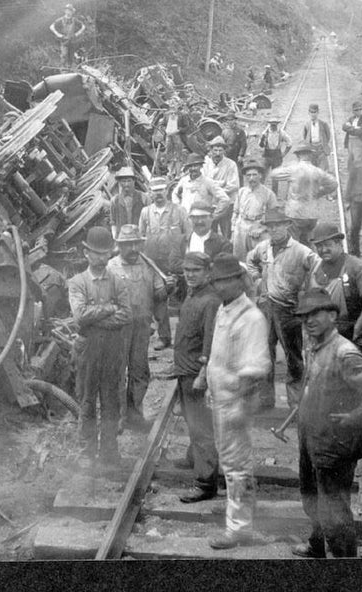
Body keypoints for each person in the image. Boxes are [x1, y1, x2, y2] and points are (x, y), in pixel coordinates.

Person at [292, 288, 362, 559]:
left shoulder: (344, 353)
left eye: (315, 314)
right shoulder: (314, 345)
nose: (309, 321)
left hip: (334, 444)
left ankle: (344, 559)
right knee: (311, 497)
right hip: (312, 438)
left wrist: (356, 417)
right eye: (304, 316)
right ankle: (316, 545)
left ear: (332, 316)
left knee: (335, 514)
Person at [205, 253, 271, 549]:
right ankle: (240, 519)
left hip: (235, 403)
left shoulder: (251, 318)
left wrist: (240, 407)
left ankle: (239, 529)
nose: (218, 286)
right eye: (216, 281)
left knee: (236, 467)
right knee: (231, 463)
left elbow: (253, 370)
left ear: (239, 281)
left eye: (225, 281)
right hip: (221, 399)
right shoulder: (225, 308)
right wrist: (209, 383)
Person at [67, 227, 133, 467]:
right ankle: (87, 452)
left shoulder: (117, 281)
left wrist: (96, 318)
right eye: (97, 253)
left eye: (106, 253)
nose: (102, 258)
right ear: (86, 253)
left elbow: (126, 315)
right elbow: (80, 316)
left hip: (112, 349)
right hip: (87, 349)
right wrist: (109, 309)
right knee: (86, 400)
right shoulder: (77, 283)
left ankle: (109, 450)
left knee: (110, 399)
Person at [245, 208, 318, 409]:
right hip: (266, 307)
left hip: (289, 309)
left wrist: (307, 293)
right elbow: (250, 260)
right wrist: (257, 279)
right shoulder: (263, 247)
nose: (274, 229)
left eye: (278, 225)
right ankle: (265, 399)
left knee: (293, 356)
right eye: (270, 226)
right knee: (264, 354)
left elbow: (317, 268)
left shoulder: (300, 251)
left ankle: (296, 403)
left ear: (287, 225)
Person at [170, 251, 223, 504]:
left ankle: (205, 483)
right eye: (187, 270)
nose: (190, 275)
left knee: (202, 428)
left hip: (196, 374)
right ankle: (195, 459)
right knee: (193, 422)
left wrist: (203, 374)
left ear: (208, 273)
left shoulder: (210, 301)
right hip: (185, 370)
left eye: (196, 271)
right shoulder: (192, 294)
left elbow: (210, 342)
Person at [107, 225, 168, 431]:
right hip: (118, 329)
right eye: (128, 244)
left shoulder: (149, 266)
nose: (133, 248)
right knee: (116, 372)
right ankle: (116, 416)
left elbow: (159, 294)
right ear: (119, 246)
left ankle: (134, 414)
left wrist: (169, 287)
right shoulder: (111, 267)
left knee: (139, 371)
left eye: (136, 244)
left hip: (141, 327)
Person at [304, 224, 362, 357]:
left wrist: (358, 328)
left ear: (339, 243)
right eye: (319, 246)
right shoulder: (316, 268)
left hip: (349, 338)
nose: (323, 250)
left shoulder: (356, 267)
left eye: (328, 245)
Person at [139, 177, 190, 350]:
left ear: (167, 191)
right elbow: (141, 238)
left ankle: (185, 338)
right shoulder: (146, 212)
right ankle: (164, 337)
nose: (158, 193)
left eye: (161, 190)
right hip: (154, 263)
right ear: (150, 192)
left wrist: (185, 261)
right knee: (159, 299)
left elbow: (189, 236)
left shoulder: (179, 211)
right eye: (155, 190)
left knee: (182, 300)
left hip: (176, 262)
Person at [268, 143, 338, 247]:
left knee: (292, 243)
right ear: (311, 155)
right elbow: (333, 183)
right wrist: (319, 193)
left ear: (298, 155)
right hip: (312, 212)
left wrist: (286, 165)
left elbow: (273, 174)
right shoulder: (317, 171)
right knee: (308, 241)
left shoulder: (293, 169)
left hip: (295, 212)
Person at [170, 201, 234, 298]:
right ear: (190, 219)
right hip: (184, 293)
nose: (199, 221)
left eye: (203, 217)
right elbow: (174, 264)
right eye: (195, 218)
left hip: (211, 294)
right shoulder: (181, 241)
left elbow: (223, 269)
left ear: (212, 218)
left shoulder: (223, 243)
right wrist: (204, 267)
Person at [231, 159, 277, 259]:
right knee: (240, 258)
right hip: (241, 226)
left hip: (258, 228)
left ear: (260, 175)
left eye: (254, 175)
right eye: (248, 175)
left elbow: (274, 217)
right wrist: (233, 230)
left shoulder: (268, 194)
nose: (251, 178)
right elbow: (235, 212)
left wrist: (262, 228)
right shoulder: (242, 192)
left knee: (259, 258)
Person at [174, 152, 230, 226]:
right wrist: (178, 208)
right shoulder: (184, 181)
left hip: (201, 221)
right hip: (186, 220)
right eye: (190, 166)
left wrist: (214, 216)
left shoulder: (208, 182)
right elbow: (175, 194)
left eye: (196, 166)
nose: (193, 168)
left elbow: (225, 199)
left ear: (201, 166)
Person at [202, 136, 239, 238]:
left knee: (226, 233)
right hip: (210, 204)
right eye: (215, 150)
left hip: (226, 204)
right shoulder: (205, 164)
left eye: (220, 150)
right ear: (211, 150)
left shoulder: (231, 164)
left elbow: (234, 185)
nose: (218, 153)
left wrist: (214, 189)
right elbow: (203, 182)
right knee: (211, 233)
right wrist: (221, 183)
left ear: (224, 151)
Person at [109, 165, 148, 239]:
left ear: (134, 181)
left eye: (129, 181)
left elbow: (149, 219)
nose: (126, 184)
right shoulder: (114, 200)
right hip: (122, 239)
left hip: (139, 238)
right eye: (123, 181)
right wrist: (115, 237)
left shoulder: (143, 197)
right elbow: (113, 222)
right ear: (119, 182)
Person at [258, 116, 293, 194]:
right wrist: (262, 139)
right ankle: (260, 192)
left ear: (277, 125)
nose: (273, 127)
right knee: (263, 173)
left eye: (275, 125)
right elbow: (260, 145)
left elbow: (290, 143)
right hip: (267, 155)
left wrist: (284, 154)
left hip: (276, 155)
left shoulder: (281, 133)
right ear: (269, 125)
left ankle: (274, 194)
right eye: (272, 125)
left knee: (275, 176)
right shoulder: (265, 133)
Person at [301, 103, 331, 170]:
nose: (313, 114)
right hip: (311, 150)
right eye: (311, 112)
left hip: (321, 150)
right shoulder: (307, 124)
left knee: (323, 170)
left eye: (315, 112)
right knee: (311, 170)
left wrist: (323, 145)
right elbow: (305, 137)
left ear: (318, 112)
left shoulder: (323, 124)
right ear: (308, 113)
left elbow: (328, 136)